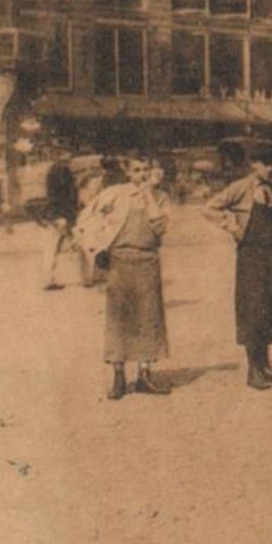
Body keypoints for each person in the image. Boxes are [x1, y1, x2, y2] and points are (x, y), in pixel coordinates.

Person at [75, 153, 171, 399]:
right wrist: (96, 247)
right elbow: (88, 218)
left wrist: (149, 197)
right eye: (137, 170)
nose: (142, 175)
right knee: (119, 319)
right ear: (128, 173)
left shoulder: (160, 197)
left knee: (149, 317)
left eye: (146, 170)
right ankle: (119, 377)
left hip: (148, 259)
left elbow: (161, 228)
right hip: (120, 260)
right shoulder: (114, 194)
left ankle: (145, 375)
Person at [206, 142, 272, 391]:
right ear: (252, 164)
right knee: (253, 309)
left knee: (271, 306)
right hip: (250, 255)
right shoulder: (241, 188)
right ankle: (253, 370)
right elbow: (211, 207)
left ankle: (266, 365)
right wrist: (233, 227)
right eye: (264, 164)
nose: (269, 169)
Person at [41, 154, 80, 290]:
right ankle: (49, 279)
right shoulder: (62, 170)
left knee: (54, 247)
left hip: (56, 213)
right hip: (60, 213)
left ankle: (51, 278)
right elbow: (62, 195)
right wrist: (63, 216)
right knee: (54, 246)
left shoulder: (54, 169)